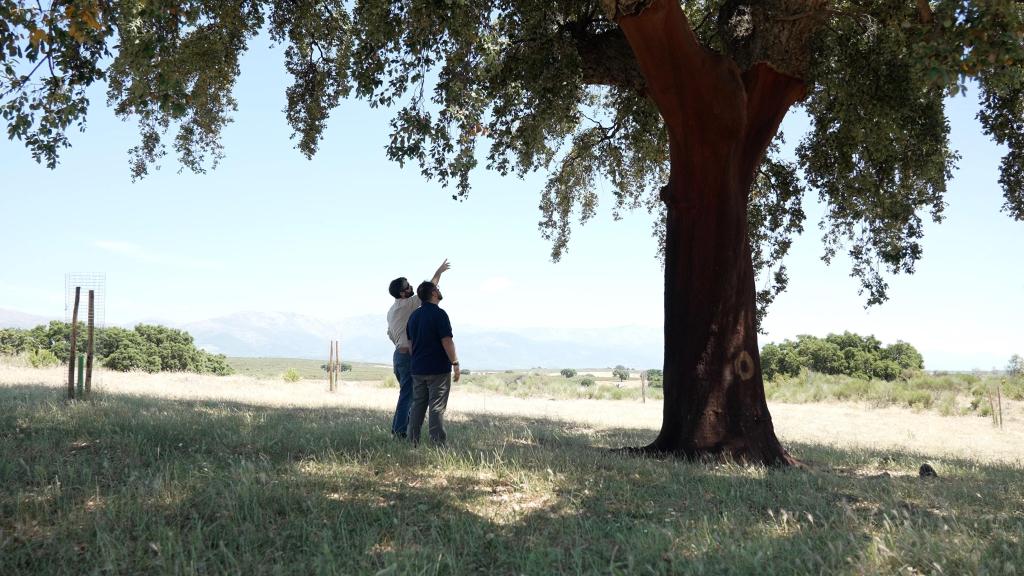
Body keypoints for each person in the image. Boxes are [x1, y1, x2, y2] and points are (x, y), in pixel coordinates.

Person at [386, 259, 450, 438]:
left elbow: (390, 334)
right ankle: (399, 432)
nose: (411, 286)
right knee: (408, 396)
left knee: (409, 395)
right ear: (402, 293)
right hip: (407, 357)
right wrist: (439, 271)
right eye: (408, 286)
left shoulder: (391, 311)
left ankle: (403, 430)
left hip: (398, 356)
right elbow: (429, 288)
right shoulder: (409, 304)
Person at [405, 281, 460, 445]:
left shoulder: (413, 316)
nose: (439, 290)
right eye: (437, 288)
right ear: (434, 293)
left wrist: (417, 362)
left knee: (417, 406)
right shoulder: (440, 314)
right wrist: (455, 363)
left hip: (417, 369)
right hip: (438, 369)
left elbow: (410, 345)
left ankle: (412, 440)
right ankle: (438, 443)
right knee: (436, 407)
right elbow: (447, 341)